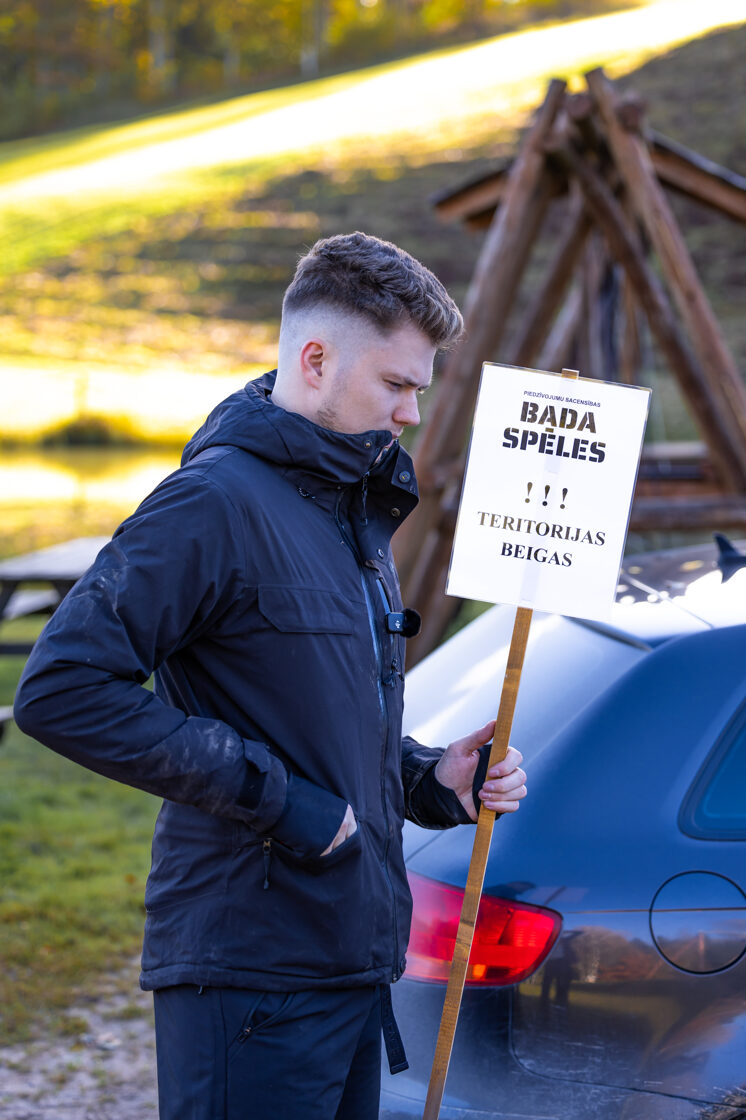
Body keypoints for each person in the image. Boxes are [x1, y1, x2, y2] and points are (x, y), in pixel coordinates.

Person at [14, 231, 527, 1120]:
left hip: (350, 965)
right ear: (315, 360)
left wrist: (429, 778)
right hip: (251, 976)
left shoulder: (351, 511)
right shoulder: (211, 503)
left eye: (418, 389)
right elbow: (61, 689)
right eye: (396, 384)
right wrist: (285, 803)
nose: (411, 413)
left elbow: (318, 718)